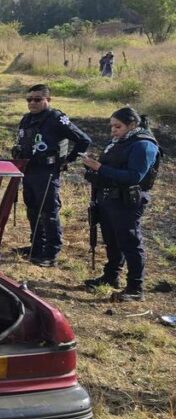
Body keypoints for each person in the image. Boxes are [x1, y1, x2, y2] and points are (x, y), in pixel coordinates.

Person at [81, 107, 162, 302]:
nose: (113, 131)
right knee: (111, 240)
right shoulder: (119, 141)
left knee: (130, 243)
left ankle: (135, 287)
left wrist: (100, 167)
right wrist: (93, 169)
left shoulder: (143, 145)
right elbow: (111, 168)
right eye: (111, 127)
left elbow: (134, 176)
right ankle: (111, 276)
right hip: (108, 198)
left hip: (127, 201)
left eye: (118, 126)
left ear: (132, 125)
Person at [11, 84, 91, 267]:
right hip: (29, 170)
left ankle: (51, 252)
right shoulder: (27, 119)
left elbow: (84, 140)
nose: (32, 103)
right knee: (32, 210)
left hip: (47, 172)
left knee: (48, 212)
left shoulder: (56, 118)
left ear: (48, 100)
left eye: (37, 99)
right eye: (29, 99)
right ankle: (36, 246)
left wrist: (68, 160)